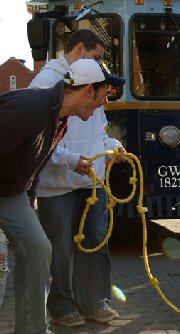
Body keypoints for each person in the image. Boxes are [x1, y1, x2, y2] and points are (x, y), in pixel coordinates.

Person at [0, 58, 124, 334]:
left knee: (38, 249)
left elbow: (31, 161)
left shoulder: (60, 119)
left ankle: (32, 329)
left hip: (11, 192)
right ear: (88, 91)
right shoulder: (29, 109)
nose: (103, 104)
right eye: (103, 96)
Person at [29, 29, 124, 328]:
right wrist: (71, 161)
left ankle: (95, 301)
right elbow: (39, 138)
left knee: (96, 240)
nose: (101, 66)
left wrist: (113, 147)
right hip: (57, 185)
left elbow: (99, 131)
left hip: (91, 180)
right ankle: (61, 307)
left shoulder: (93, 83)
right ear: (80, 49)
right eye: (97, 57)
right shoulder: (45, 83)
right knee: (59, 247)